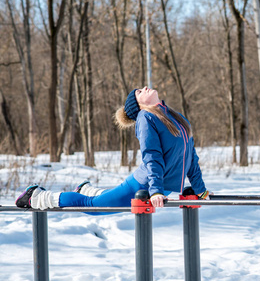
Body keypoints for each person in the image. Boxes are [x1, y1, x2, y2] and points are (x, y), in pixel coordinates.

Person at [16, 86, 212, 210]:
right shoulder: (146, 118)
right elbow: (152, 156)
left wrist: (200, 189)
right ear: (140, 105)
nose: (144, 87)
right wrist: (155, 190)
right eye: (139, 92)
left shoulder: (176, 117)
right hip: (142, 186)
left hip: (156, 186)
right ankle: (37, 197)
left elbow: (191, 157)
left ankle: (86, 189)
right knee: (93, 206)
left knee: (105, 200)